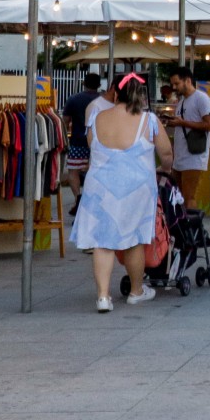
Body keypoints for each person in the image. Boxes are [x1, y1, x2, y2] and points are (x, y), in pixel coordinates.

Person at [70, 74, 172, 313]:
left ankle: (103, 297)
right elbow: (166, 153)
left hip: (99, 188)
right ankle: (136, 291)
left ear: (116, 93)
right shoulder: (150, 120)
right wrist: (164, 169)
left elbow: (93, 148)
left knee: (101, 241)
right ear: (141, 96)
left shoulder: (96, 118)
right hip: (135, 188)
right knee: (133, 240)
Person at [166, 66, 210, 210]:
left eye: (177, 83)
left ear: (187, 81)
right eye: (173, 84)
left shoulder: (201, 98)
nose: (174, 87)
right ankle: (185, 227)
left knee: (189, 197)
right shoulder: (182, 101)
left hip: (194, 156)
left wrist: (182, 122)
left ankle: (193, 229)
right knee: (178, 197)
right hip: (181, 156)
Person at [61, 72, 103, 213]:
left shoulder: (73, 99)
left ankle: (78, 197)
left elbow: (65, 122)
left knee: (73, 171)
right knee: (95, 171)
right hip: (98, 143)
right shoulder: (104, 101)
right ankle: (90, 200)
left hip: (77, 141)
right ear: (99, 85)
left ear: (83, 83)